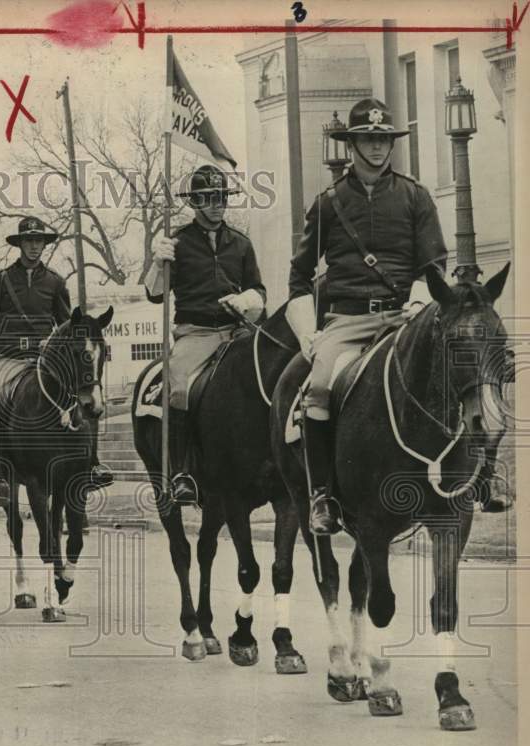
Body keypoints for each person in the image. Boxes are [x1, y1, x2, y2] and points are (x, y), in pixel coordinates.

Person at [286, 97, 448, 535]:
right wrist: (307, 333)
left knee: (456, 373)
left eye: (382, 139)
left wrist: (416, 305)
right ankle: (324, 496)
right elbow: (299, 276)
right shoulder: (328, 203)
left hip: (405, 316)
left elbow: (433, 265)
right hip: (349, 320)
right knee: (318, 386)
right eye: (367, 139)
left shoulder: (416, 196)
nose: (377, 147)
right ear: (352, 144)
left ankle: (471, 480)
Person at [145, 166, 266, 505]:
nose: (216, 205)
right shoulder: (178, 243)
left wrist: (245, 300)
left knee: (266, 375)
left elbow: (258, 288)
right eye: (208, 199)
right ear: (195, 202)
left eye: (221, 198)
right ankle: (183, 471)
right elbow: (154, 295)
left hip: (235, 331)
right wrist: (158, 263)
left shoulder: (241, 243)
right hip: (195, 333)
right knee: (179, 384)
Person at [0, 216, 114, 505]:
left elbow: (67, 325)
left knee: (84, 397)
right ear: (20, 244)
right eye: (29, 241)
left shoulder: (55, 281)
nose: (34, 246)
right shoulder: (1, 281)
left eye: (39, 241)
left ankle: (91, 464)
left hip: (44, 359)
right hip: (9, 359)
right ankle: (0, 475)